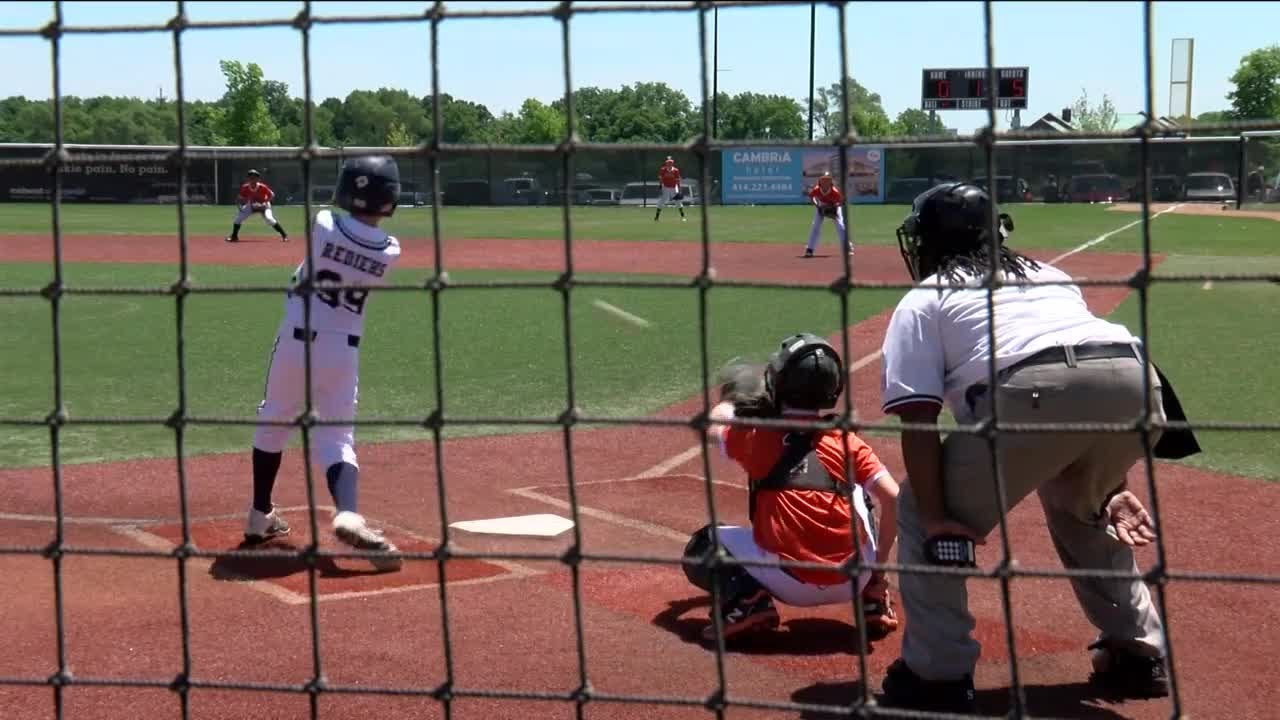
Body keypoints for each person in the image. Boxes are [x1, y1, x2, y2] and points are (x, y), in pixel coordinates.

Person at [876, 182, 1197, 713]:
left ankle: (937, 675)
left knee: (915, 510)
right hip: (1139, 382)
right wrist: (1108, 484)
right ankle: (1140, 653)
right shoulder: (1051, 275)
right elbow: (1088, 372)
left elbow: (919, 418)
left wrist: (937, 517)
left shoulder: (926, 297)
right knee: (1083, 508)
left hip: (1035, 394)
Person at [683, 333, 902, 644]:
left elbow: (709, 425)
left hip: (786, 582)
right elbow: (894, 497)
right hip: (853, 578)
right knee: (855, 489)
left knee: (703, 545)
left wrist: (734, 401)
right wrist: (876, 568)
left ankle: (748, 601)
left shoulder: (758, 437)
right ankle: (873, 595)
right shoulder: (846, 440)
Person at [242, 155, 404, 572]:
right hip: (343, 350)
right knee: (337, 439)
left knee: (274, 419)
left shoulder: (324, 224)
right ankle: (347, 511)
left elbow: (323, 226)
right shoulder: (391, 250)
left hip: (296, 341)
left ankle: (260, 515)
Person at [225, 169, 289, 243]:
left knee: (270, 219)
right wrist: (239, 207)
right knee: (238, 219)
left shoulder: (262, 187)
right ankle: (234, 237)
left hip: (264, 205)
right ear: (248, 179)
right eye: (250, 177)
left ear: (258, 179)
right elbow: (239, 198)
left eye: (255, 177)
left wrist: (265, 203)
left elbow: (272, 195)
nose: (252, 179)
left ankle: (284, 236)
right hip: (251, 205)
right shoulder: (245, 187)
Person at [804, 173, 850, 258]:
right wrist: (817, 206)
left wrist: (833, 209)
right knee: (815, 226)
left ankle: (847, 247)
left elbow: (841, 201)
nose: (825, 182)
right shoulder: (817, 189)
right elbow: (812, 197)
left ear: (831, 182)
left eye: (827, 180)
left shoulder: (834, 192)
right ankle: (809, 249)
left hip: (834, 206)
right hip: (821, 206)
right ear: (820, 182)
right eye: (823, 180)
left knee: (840, 226)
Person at [654, 156, 686, 222]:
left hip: (673, 187)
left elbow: (677, 180)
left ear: (672, 164)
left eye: (670, 163)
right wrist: (660, 185)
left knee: (678, 202)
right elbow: (661, 178)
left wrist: (679, 188)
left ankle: (683, 217)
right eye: (668, 163)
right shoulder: (663, 169)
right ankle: (656, 217)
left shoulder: (676, 170)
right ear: (666, 164)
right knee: (661, 202)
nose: (669, 164)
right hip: (665, 187)